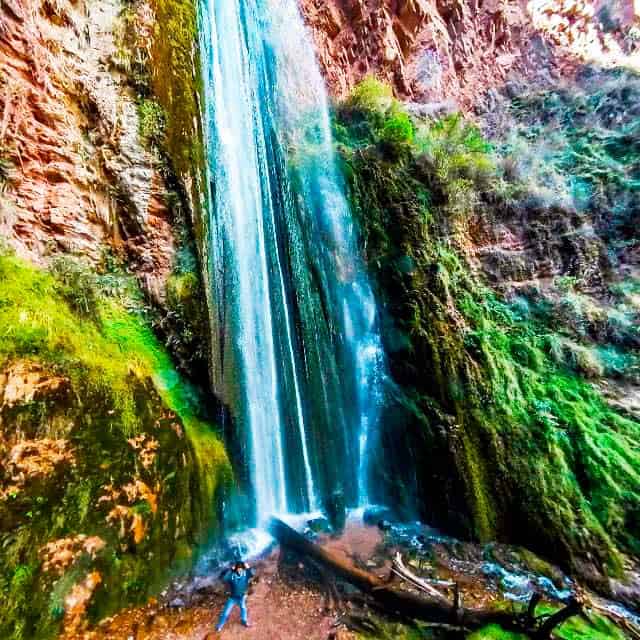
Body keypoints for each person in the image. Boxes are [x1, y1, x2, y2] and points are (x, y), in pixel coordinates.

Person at [215, 560, 254, 632]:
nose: (240, 571)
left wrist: (248, 567)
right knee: (225, 613)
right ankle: (219, 626)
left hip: (241, 597)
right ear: (236, 570)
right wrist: (230, 569)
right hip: (232, 598)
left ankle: (244, 621)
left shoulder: (245, 574)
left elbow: (252, 574)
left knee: (243, 609)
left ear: (243, 569)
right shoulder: (232, 575)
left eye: (241, 569)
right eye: (238, 570)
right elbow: (224, 578)